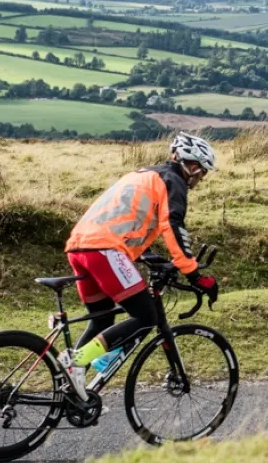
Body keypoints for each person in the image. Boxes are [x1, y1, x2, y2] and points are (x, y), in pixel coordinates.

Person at [60, 132, 219, 400]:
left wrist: (146, 256)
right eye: (201, 173)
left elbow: (127, 219)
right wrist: (194, 275)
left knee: (102, 317)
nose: (199, 180)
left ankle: (68, 387)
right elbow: (174, 226)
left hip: (79, 247)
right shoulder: (174, 181)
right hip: (104, 250)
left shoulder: (142, 174)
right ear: (192, 166)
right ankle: (78, 360)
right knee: (146, 317)